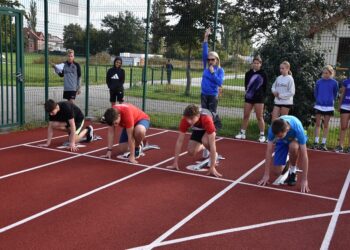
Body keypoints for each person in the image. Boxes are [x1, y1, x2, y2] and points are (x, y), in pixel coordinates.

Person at [258, 116, 310, 193]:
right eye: (276, 136)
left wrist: (304, 179)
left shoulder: (298, 128)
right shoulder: (273, 129)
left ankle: (293, 170)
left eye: (279, 136)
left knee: (293, 147)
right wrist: (266, 174)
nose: (277, 137)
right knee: (277, 172)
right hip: (283, 141)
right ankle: (289, 160)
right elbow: (268, 151)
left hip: (294, 139)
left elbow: (304, 155)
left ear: (287, 129)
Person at [167, 104, 222, 177]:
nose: (189, 121)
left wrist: (212, 167)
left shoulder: (206, 119)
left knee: (206, 140)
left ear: (198, 115)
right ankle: (204, 146)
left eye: (191, 118)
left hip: (214, 123)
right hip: (198, 127)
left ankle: (214, 155)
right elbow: (179, 141)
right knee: (191, 152)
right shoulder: (185, 120)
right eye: (187, 118)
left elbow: (212, 144)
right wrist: (175, 162)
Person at [201, 28, 224, 158]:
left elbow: (220, 82)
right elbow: (204, 50)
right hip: (204, 95)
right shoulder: (205, 65)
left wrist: (213, 72)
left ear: (216, 60)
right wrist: (206, 37)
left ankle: (211, 146)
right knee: (205, 119)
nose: (210, 61)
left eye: (212, 60)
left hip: (213, 97)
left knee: (211, 120)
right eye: (209, 59)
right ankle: (206, 146)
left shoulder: (220, 70)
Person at [235, 55, 268, 142]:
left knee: (259, 117)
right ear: (252, 64)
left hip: (259, 98)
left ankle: (262, 135)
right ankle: (242, 133)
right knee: (246, 115)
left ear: (260, 64)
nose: (256, 65)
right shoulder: (248, 73)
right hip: (249, 98)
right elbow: (246, 85)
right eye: (254, 63)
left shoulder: (263, 74)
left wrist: (261, 96)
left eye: (258, 63)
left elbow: (265, 87)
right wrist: (248, 93)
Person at [312, 65, 338, 151]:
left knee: (326, 125)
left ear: (331, 73)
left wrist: (330, 100)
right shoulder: (319, 82)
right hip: (319, 105)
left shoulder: (334, 83)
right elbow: (315, 93)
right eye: (323, 73)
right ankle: (315, 142)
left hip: (329, 107)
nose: (324, 74)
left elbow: (335, 94)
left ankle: (323, 144)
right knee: (318, 124)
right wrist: (319, 100)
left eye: (326, 73)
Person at [335, 76, 350, 153]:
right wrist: (339, 105)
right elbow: (342, 94)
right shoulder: (346, 82)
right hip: (345, 106)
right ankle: (340, 146)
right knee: (343, 127)